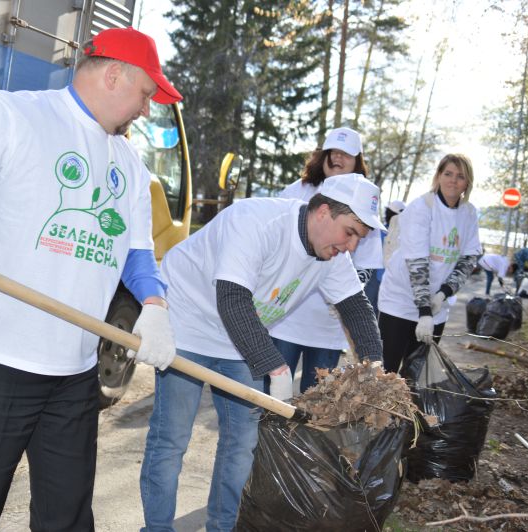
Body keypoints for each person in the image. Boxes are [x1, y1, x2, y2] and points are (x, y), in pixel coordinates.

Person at [0, 27, 181, 531]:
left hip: (73, 371)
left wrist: (155, 307)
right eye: (146, 94)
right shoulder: (17, 115)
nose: (146, 108)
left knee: (68, 516)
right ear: (114, 73)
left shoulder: (131, 166)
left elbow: (137, 253)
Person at [140, 173, 385, 531]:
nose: (350, 246)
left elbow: (358, 311)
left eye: (358, 239)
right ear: (322, 212)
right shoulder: (257, 222)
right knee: (172, 439)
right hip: (187, 323)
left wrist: (375, 373)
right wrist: (276, 368)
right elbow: (233, 299)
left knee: (242, 443)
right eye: (349, 232)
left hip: (239, 338)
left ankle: (223, 528)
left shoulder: (331, 256)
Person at [267, 127, 384, 393]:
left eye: (346, 154)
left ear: (358, 161)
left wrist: (341, 298)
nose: (337, 159)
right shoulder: (296, 191)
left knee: (316, 402)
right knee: (273, 400)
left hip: (327, 326)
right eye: (333, 152)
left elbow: (366, 266)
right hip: (287, 319)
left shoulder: (364, 204)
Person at [377, 154, 482, 373]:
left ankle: (406, 409)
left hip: (436, 305)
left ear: (467, 183)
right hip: (400, 300)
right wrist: (424, 312)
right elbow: (417, 264)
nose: (453, 180)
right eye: (448, 174)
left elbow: (467, 260)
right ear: (438, 176)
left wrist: (443, 293)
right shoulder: (422, 207)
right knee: (386, 373)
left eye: (460, 176)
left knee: (416, 374)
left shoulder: (469, 213)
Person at [365, 199, 406, 313]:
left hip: (377, 276)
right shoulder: (404, 235)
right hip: (387, 278)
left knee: (369, 308)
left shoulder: (378, 230)